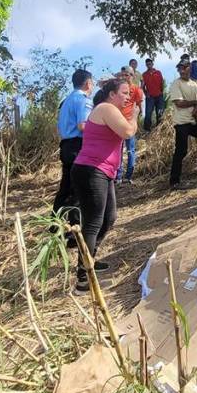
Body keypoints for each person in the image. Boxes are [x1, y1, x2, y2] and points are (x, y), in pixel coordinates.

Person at [71, 79, 138, 293]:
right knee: (92, 223)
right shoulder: (106, 108)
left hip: (102, 172)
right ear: (111, 94)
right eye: (124, 93)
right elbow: (128, 132)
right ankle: (83, 279)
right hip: (91, 170)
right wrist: (135, 115)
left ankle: (89, 258)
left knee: (109, 218)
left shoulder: (109, 109)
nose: (128, 97)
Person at [53, 69, 94, 229]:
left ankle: (54, 225)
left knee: (65, 189)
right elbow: (83, 125)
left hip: (66, 146)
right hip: (78, 146)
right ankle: (74, 229)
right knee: (78, 189)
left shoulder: (67, 100)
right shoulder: (84, 100)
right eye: (92, 83)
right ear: (88, 83)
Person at [167, 60, 197, 188]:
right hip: (181, 123)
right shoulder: (176, 84)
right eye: (179, 68)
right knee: (181, 151)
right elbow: (179, 103)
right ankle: (174, 182)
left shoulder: (194, 84)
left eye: (184, 67)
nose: (181, 70)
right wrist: (196, 103)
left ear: (189, 68)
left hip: (192, 121)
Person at [115, 68, 144, 185]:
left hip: (129, 122)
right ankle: (118, 176)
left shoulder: (137, 89)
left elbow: (139, 106)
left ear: (132, 76)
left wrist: (136, 120)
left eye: (127, 75)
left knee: (131, 150)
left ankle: (128, 176)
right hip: (118, 122)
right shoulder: (119, 88)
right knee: (118, 150)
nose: (124, 77)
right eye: (123, 75)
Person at [141, 58, 165, 131]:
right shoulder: (144, 74)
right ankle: (147, 130)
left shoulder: (158, 72)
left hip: (159, 96)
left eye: (150, 64)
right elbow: (142, 86)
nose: (149, 65)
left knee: (160, 113)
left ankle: (159, 130)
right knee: (148, 114)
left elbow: (162, 83)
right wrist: (146, 93)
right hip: (150, 97)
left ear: (152, 64)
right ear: (146, 65)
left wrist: (161, 92)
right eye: (147, 64)